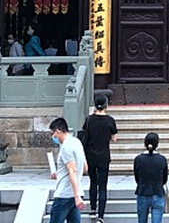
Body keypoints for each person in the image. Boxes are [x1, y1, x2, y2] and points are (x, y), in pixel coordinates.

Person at [82, 95, 119, 223]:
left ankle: (92, 208)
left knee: (93, 182)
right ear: (105, 105)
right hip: (104, 156)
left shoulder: (89, 119)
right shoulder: (110, 120)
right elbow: (114, 138)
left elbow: (85, 133)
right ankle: (101, 215)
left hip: (90, 155)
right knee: (103, 185)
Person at [48, 117, 87, 223]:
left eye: (53, 134)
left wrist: (76, 196)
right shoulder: (77, 142)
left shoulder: (66, 147)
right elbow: (85, 168)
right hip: (76, 192)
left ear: (57, 131)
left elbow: (72, 170)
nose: (53, 137)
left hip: (64, 194)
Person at [134, 132, 169, 223]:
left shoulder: (138, 159)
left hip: (142, 192)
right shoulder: (161, 159)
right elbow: (164, 178)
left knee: (142, 220)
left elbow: (137, 178)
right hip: (157, 192)